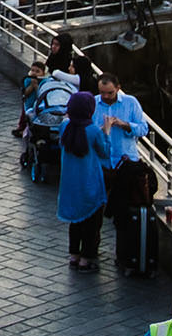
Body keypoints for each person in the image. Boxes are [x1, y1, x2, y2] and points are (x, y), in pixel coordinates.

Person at [95, 71, 153, 268]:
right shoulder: (94, 104)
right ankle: (92, 249)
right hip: (103, 163)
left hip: (125, 163)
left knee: (124, 211)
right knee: (96, 209)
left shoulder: (130, 103)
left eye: (109, 93)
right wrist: (103, 129)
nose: (105, 97)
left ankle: (124, 254)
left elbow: (143, 129)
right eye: (102, 93)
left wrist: (125, 124)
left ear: (118, 88)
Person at [60, 90, 111, 272]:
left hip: (70, 184)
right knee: (92, 223)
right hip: (90, 183)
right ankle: (87, 258)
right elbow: (105, 153)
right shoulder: (93, 131)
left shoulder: (65, 126)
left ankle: (74, 255)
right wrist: (107, 132)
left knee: (75, 221)